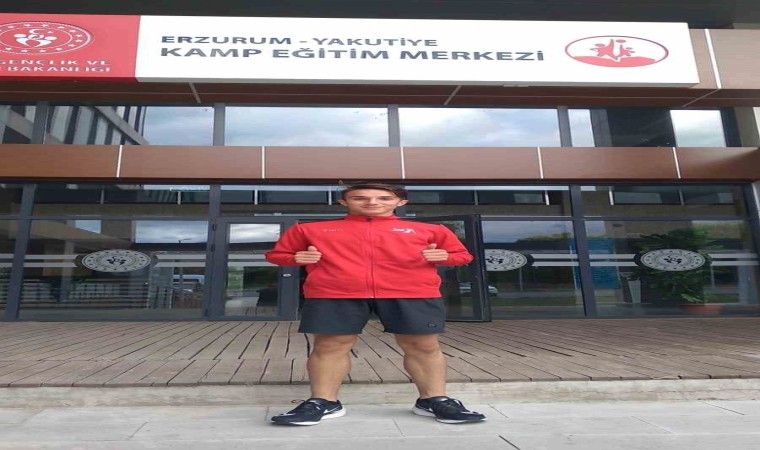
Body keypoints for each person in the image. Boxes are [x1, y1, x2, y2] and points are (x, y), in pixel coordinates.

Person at [265, 182, 486, 426]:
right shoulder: (310, 229)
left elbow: (462, 255)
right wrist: (296, 257)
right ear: (344, 202)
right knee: (329, 346)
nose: (372, 202)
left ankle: (433, 400)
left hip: (411, 292)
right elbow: (277, 255)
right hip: (335, 292)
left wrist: (445, 256)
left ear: (401, 202)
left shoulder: (430, 230)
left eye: (383, 198)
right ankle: (324, 402)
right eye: (360, 198)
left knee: (423, 346)